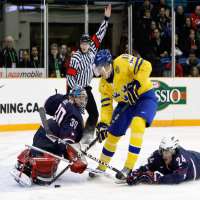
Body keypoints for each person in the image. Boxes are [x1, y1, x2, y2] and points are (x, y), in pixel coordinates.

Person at [89, 49, 157, 180]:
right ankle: (101, 167)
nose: (99, 73)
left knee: (138, 123)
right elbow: (106, 107)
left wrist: (136, 84)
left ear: (108, 64)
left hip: (144, 97)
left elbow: (146, 66)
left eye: (100, 68)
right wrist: (103, 124)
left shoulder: (123, 61)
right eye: (97, 69)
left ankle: (129, 167)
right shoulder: (103, 85)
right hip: (125, 104)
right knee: (112, 135)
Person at [10, 86, 88, 186]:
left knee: (41, 151)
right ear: (72, 98)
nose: (83, 101)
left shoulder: (64, 101)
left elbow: (47, 105)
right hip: (49, 141)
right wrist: (73, 157)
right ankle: (29, 169)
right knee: (48, 170)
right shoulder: (75, 116)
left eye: (84, 98)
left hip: (42, 131)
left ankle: (25, 161)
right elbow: (65, 142)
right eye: (80, 98)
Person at [66, 4, 111, 144]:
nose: (84, 45)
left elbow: (100, 34)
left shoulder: (92, 49)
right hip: (75, 90)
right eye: (82, 44)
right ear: (80, 44)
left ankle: (87, 137)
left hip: (86, 89)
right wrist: (75, 92)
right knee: (74, 115)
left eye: (86, 43)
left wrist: (106, 18)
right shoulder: (76, 57)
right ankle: (69, 134)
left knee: (94, 114)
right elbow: (69, 77)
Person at [127, 136, 200, 185]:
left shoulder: (182, 159)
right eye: (163, 151)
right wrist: (137, 173)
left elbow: (178, 177)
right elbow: (147, 167)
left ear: (174, 151)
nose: (165, 155)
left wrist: (159, 179)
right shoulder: (157, 156)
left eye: (169, 151)